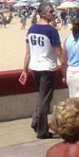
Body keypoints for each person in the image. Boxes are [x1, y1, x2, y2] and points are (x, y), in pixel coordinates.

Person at [19, 9, 64, 139]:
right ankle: (42, 130)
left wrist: (25, 70)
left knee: (41, 96)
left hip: (35, 68)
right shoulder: (51, 31)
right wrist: (64, 68)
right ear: (43, 14)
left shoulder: (32, 29)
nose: (53, 13)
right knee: (45, 100)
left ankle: (36, 122)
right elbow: (59, 52)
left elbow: (28, 52)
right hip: (47, 68)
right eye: (51, 11)